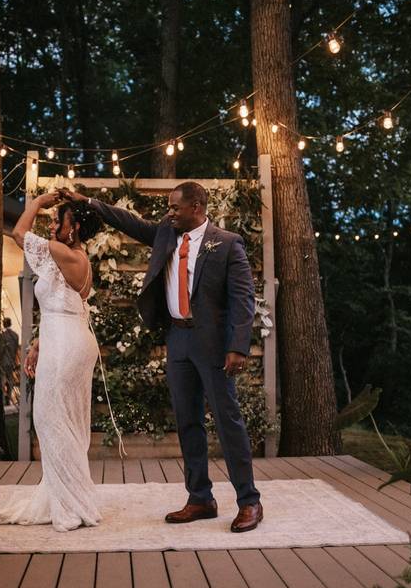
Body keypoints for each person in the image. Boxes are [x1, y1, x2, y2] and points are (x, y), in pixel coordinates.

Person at [59, 182, 263, 533]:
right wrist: (88, 202)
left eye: (175, 208)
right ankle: (200, 498)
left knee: (228, 421)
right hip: (178, 339)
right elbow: (128, 221)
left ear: (197, 207)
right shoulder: (167, 235)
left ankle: (249, 501)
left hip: (213, 344)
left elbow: (243, 300)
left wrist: (238, 347)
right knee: (187, 421)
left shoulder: (228, 244)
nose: (169, 213)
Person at [0, 191, 104, 532]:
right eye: (51, 219)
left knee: (50, 417)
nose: (51, 225)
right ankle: (68, 495)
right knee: (63, 420)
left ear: (75, 227)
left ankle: (72, 503)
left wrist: (36, 203)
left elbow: (19, 234)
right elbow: (63, 304)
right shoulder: (70, 256)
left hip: (67, 344)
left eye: (57, 220)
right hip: (64, 337)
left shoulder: (65, 253)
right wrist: (38, 342)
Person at [0, 317, 20, 406]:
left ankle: (4, 398)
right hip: (11, 360)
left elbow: (1, 349)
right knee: (10, 379)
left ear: (4, 324)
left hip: (3, 360)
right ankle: (8, 397)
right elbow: (16, 349)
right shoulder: (15, 335)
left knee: (3, 379)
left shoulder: (2, 336)